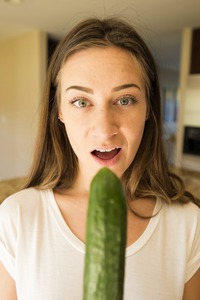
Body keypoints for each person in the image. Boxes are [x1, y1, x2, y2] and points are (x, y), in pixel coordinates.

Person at [0, 17, 200, 300]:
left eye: (125, 99)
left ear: (147, 109)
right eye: (81, 102)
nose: (105, 130)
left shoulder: (188, 225)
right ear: (59, 111)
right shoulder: (16, 218)